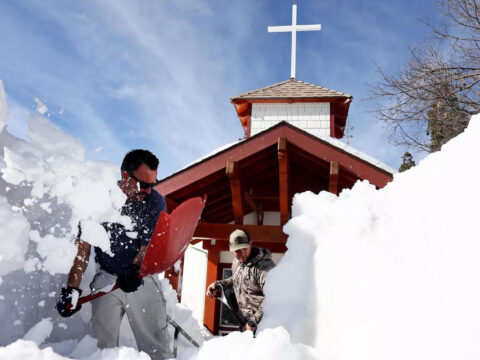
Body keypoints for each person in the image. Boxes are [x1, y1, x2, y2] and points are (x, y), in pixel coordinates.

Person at [56, 149, 172, 360]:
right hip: (107, 278)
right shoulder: (98, 200)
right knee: (101, 347)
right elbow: (82, 252)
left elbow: (146, 248)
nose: (147, 191)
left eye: (152, 185)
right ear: (125, 175)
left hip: (141, 278)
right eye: (143, 185)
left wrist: (135, 269)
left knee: (155, 346)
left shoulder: (154, 203)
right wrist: (72, 289)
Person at [206, 229, 275, 332]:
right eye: (237, 250)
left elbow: (272, 298)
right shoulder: (237, 262)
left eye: (244, 248)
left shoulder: (264, 267)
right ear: (231, 249)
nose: (242, 253)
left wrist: (253, 322)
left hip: (264, 325)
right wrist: (219, 284)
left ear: (250, 243)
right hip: (245, 322)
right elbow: (236, 279)